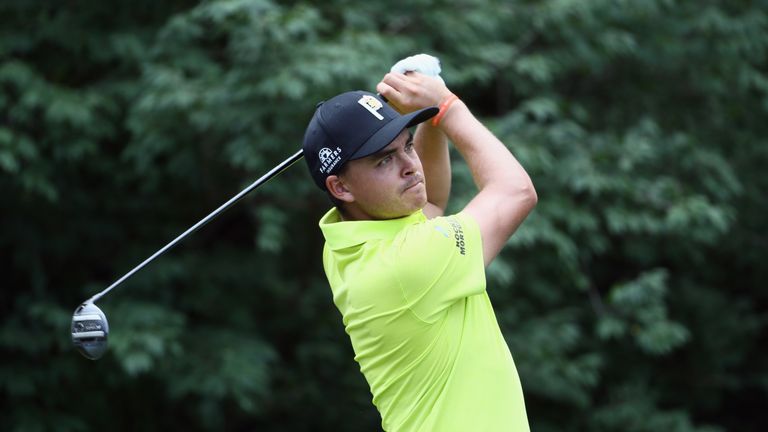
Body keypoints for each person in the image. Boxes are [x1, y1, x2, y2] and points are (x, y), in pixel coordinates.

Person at [301, 69, 537, 431]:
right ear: (340, 187)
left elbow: (432, 206)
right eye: (385, 160)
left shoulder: (344, 241)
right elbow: (515, 192)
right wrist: (446, 108)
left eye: (407, 145)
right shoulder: (404, 265)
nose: (411, 167)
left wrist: (428, 117)